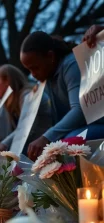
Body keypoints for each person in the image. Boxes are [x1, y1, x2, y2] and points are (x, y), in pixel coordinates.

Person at [20, 31, 104, 160]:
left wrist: (47, 137)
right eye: (29, 70)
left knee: (65, 146)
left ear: (50, 56)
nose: (33, 74)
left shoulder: (71, 64)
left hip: (98, 124)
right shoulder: (48, 77)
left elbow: (80, 109)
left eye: (35, 68)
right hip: (82, 127)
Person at [0, 64, 52, 157]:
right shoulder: (14, 100)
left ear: (7, 80)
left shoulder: (27, 95)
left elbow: (26, 127)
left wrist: (4, 144)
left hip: (46, 146)